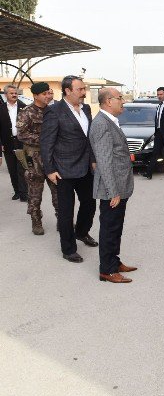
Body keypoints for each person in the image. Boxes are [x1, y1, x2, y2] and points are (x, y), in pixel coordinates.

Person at [41, 75, 98, 263]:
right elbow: (46, 143)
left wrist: (93, 160)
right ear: (68, 91)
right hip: (63, 169)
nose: (83, 92)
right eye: (80, 89)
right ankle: (68, 249)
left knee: (89, 204)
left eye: (84, 89)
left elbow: (87, 138)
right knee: (66, 212)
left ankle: (81, 232)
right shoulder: (54, 111)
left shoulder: (87, 109)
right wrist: (49, 169)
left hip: (85, 167)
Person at [89, 88, 137, 283]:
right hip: (112, 189)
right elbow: (104, 161)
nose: (123, 101)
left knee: (116, 227)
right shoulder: (101, 124)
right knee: (109, 228)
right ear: (109, 101)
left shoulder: (110, 121)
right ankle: (107, 270)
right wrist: (113, 192)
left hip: (120, 186)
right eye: (120, 98)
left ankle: (114, 261)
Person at [16, 82, 59, 235]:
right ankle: (36, 221)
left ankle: (62, 220)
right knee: (35, 193)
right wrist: (45, 139)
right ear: (35, 96)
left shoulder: (54, 111)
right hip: (34, 158)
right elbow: (22, 134)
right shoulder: (26, 112)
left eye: (50, 93)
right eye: (45, 94)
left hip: (53, 158)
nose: (49, 96)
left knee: (59, 191)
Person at [0, 84, 28, 201]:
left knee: (22, 168)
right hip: (7, 143)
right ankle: (17, 191)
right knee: (12, 169)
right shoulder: (1, 109)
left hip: (21, 142)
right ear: (6, 95)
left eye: (16, 93)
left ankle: (24, 193)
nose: (14, 95)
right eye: (12, 93)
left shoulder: (24, 107)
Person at [144, 86, 164, 180]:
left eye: (161, 94)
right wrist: (156, 132)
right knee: (155, 153)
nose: (159, 96)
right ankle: (148, 173)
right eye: (158, 94)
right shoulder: (159, 105)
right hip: (158, 133)